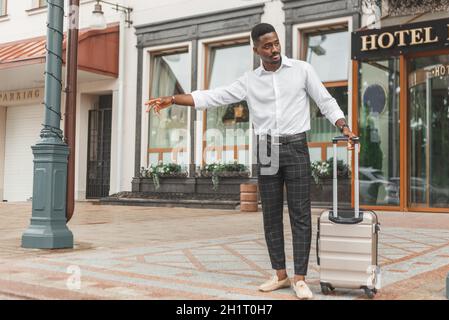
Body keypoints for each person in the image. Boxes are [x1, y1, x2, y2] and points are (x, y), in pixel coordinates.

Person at [145, 23, 357, 299]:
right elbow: (212, 97)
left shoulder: (303, 70)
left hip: (296, 148)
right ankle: (280, 275)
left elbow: (325, 101)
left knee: (300, 214)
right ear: (256, 49)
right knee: (270, 215)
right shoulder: (249, 80)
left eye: (276, 43)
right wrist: (173, 98)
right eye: (267, 46)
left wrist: (343, 126)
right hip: (266, 150)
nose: (275, 50)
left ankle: (300, 278)